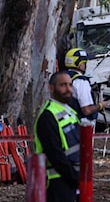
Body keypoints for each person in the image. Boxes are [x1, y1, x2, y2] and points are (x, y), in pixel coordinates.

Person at [34, 72, 81, 201]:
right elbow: (55, 154)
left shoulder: (70, 111)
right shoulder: (47, 116)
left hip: (74, 178)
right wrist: (75, 178)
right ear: (51, 88)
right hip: (58, 181)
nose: (68, 89)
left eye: (70, 85)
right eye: (63, 85)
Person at [65, 48, 108, 121]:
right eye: (85, 63)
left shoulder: (60, 77)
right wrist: (100, 105)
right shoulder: (81, 82)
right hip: (81, 125)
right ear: (80, 64)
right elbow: (86, 110)